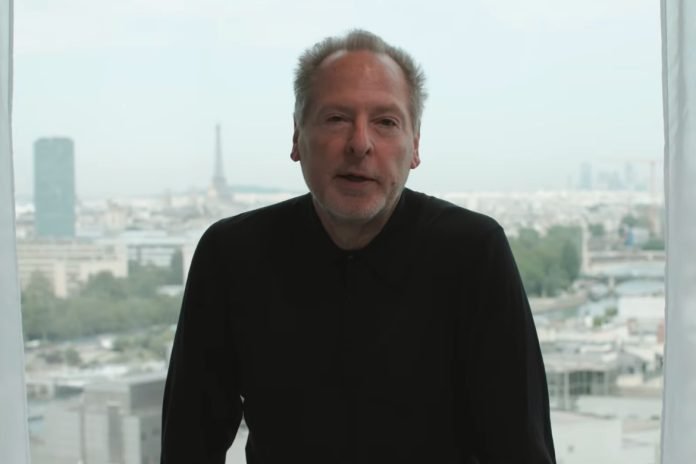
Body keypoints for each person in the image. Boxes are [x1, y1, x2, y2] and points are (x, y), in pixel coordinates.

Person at [161, 29, 556, 464]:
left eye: (386, 122)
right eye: (336, 118)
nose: (360, 143)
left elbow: (520, 449)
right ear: (296, 137)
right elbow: (187, 445)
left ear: (415, 146)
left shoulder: (473, 253)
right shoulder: (231, 255)